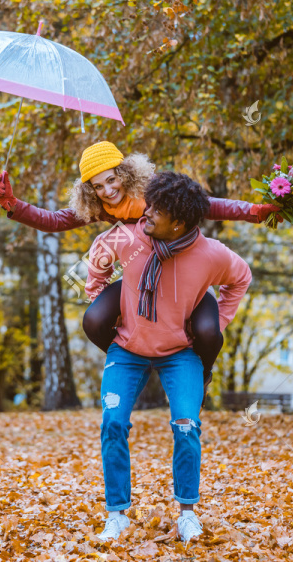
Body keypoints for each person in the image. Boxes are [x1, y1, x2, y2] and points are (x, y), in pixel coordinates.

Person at [0, 141, 278, 391]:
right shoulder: (101, 206)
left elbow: (209, 205)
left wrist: (254, 211)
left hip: (179, 271)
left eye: (112, 180)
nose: (108, 190)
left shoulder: (155, 190)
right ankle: (135, 360)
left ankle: (201, 372)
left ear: (124, 173)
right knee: (95, 320)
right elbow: (54, 221)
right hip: (141, 277)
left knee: (208, 332)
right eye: (98, 186)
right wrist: (12, 203)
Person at [83, 171, 252, 543]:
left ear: (179, 223)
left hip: (180, 353)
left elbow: (241, 278)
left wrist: (219, 320)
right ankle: (117, 515)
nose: (147, 213)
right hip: (127, 349)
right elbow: (99, 251)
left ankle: (187, 513)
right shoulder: (132, 236)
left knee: (187, 426)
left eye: (157, 210)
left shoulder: (211, 254)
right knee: (112, 423)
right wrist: (96, 288)